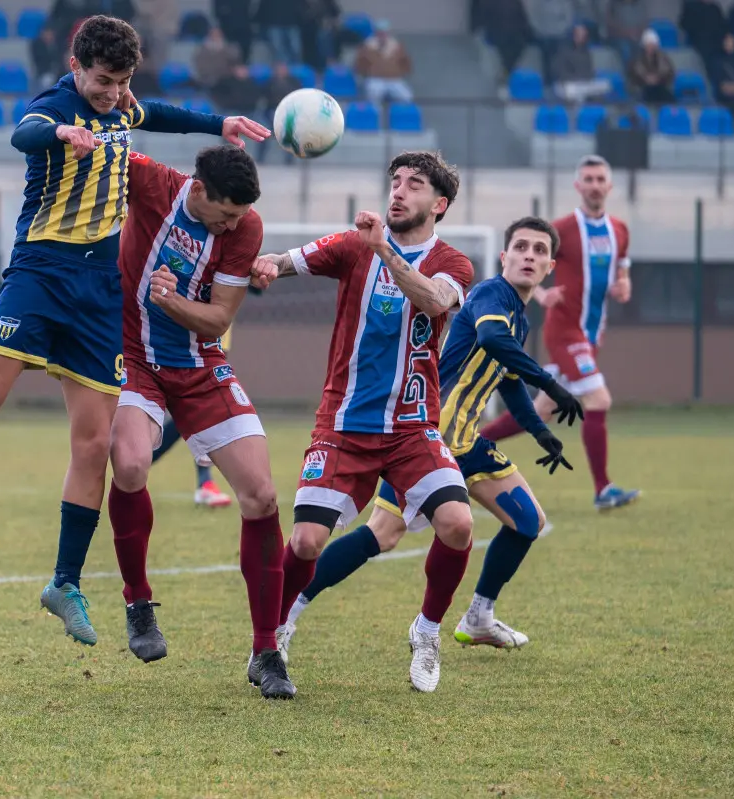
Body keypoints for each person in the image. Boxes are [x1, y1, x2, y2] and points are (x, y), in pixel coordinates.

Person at [0, 16, 270, 646]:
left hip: (99, 293)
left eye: (121, 81)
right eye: (102, 81)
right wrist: (63, 128)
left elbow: (159, 113)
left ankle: (65, 583)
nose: (112, 93)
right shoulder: (56, 105)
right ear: (76, 66)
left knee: (94, 447)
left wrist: (220, 125)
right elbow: (25, 131)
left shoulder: (122, 107)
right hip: (40, 274)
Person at [279, 217, 585, 658]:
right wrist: (552, 386)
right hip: (425, 437)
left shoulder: (519, 318)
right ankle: (291, 611)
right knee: (381, 535)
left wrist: (540, 432)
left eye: (539, 251)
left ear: (550, 265)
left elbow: (508, 377)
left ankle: (478, 617)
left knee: (527, 521)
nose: (529, 256)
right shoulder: (489, 295)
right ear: (504, 257)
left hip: (467, 442)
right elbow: (493, 340)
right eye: (521, 247)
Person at [255, 151, 476, 693]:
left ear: (438, 204)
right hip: (344, 424)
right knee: (306, 541)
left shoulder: (453, 262)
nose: (399, 191)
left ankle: (427, 631)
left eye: (415, 185)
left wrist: (385, 250)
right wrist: (265, 265)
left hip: (412, 430)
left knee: (458, 524)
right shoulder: (354, 247)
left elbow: (431, 301)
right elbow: (286, 261)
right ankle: (272, 637)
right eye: (395, 182)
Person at [108, 146, 295, 699]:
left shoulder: (245, 227)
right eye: (225, 214)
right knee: (132, 464)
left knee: (261, 495)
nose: (235, 224)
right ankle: (138, 603)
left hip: (199, 364)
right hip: (130, 357)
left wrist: (169, 303)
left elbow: (217, 319)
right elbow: (104, 147)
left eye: (241, 216)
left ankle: (267, 652)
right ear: (197, 188)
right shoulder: (151, 182)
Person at [480, 156, 640, 511]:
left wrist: (624, 284)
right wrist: (541, 293)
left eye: (601, 178)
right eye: (589, 179)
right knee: (599, 400)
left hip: (592, 334)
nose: (595, 185)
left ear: (609, 186)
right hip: (565, 331)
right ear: (578, 186)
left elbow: (623, 264)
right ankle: (603, 489)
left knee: (541, 411)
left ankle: (465, 449)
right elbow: (523, 262)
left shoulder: (620, 230)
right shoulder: (562, 229)